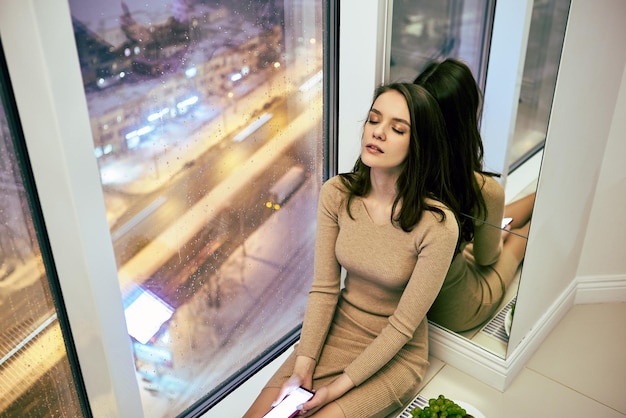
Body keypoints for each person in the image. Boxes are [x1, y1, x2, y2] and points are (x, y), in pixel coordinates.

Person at [243, 83, 460, 418]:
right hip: (336, 330)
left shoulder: (437, 225)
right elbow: (325, 289)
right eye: (374, 121)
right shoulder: (337, 194)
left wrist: (335, 389)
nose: (378, 133)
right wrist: (304, 364)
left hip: (395, 353)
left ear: (418, 145)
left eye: (397, 128)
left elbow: (403, 326)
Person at [413, 58, 535, 333]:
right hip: (453, 311)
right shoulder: (480, 188)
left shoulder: (400, 168)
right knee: (522, 236)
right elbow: (486, 259)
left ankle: (538, 198)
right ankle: (543, 203)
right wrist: (496, 236)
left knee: (495, 218)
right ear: (466, 119)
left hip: (422, 292)